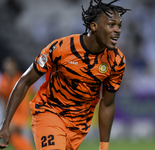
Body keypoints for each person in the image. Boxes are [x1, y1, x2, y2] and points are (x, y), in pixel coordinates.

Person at [0, 0, 130, 149]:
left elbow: (107, 103)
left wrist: (104, 145)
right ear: (94, 26)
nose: (118, 30)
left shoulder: (117, 61)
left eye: (119, 26)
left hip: (78, 127)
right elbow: (24, 81)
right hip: (49, 112)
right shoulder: (61, 48)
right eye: (111, 24)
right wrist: (5, 124)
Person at [0, 57, 34, 150]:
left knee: (25, 142)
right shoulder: (4, 80)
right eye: (6, 66)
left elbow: (32, 95)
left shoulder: (22, 78)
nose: (8, 68)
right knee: (18, 141)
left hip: (23, 117)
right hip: (12, 118)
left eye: (9, 65)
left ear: (15, 66)